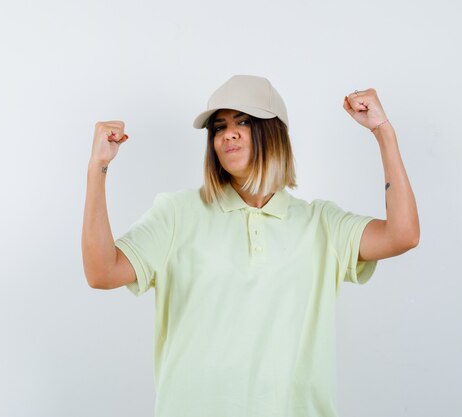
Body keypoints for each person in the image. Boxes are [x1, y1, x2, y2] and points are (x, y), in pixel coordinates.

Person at [81, 75, 420, 417]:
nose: (228, 133)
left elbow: (403, 234)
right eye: (219, 126)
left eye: (243, 121)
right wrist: (99, 167)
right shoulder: (177, 213)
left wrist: (383, 132)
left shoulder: (321, 225)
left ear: (273, 132)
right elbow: (102, 272)